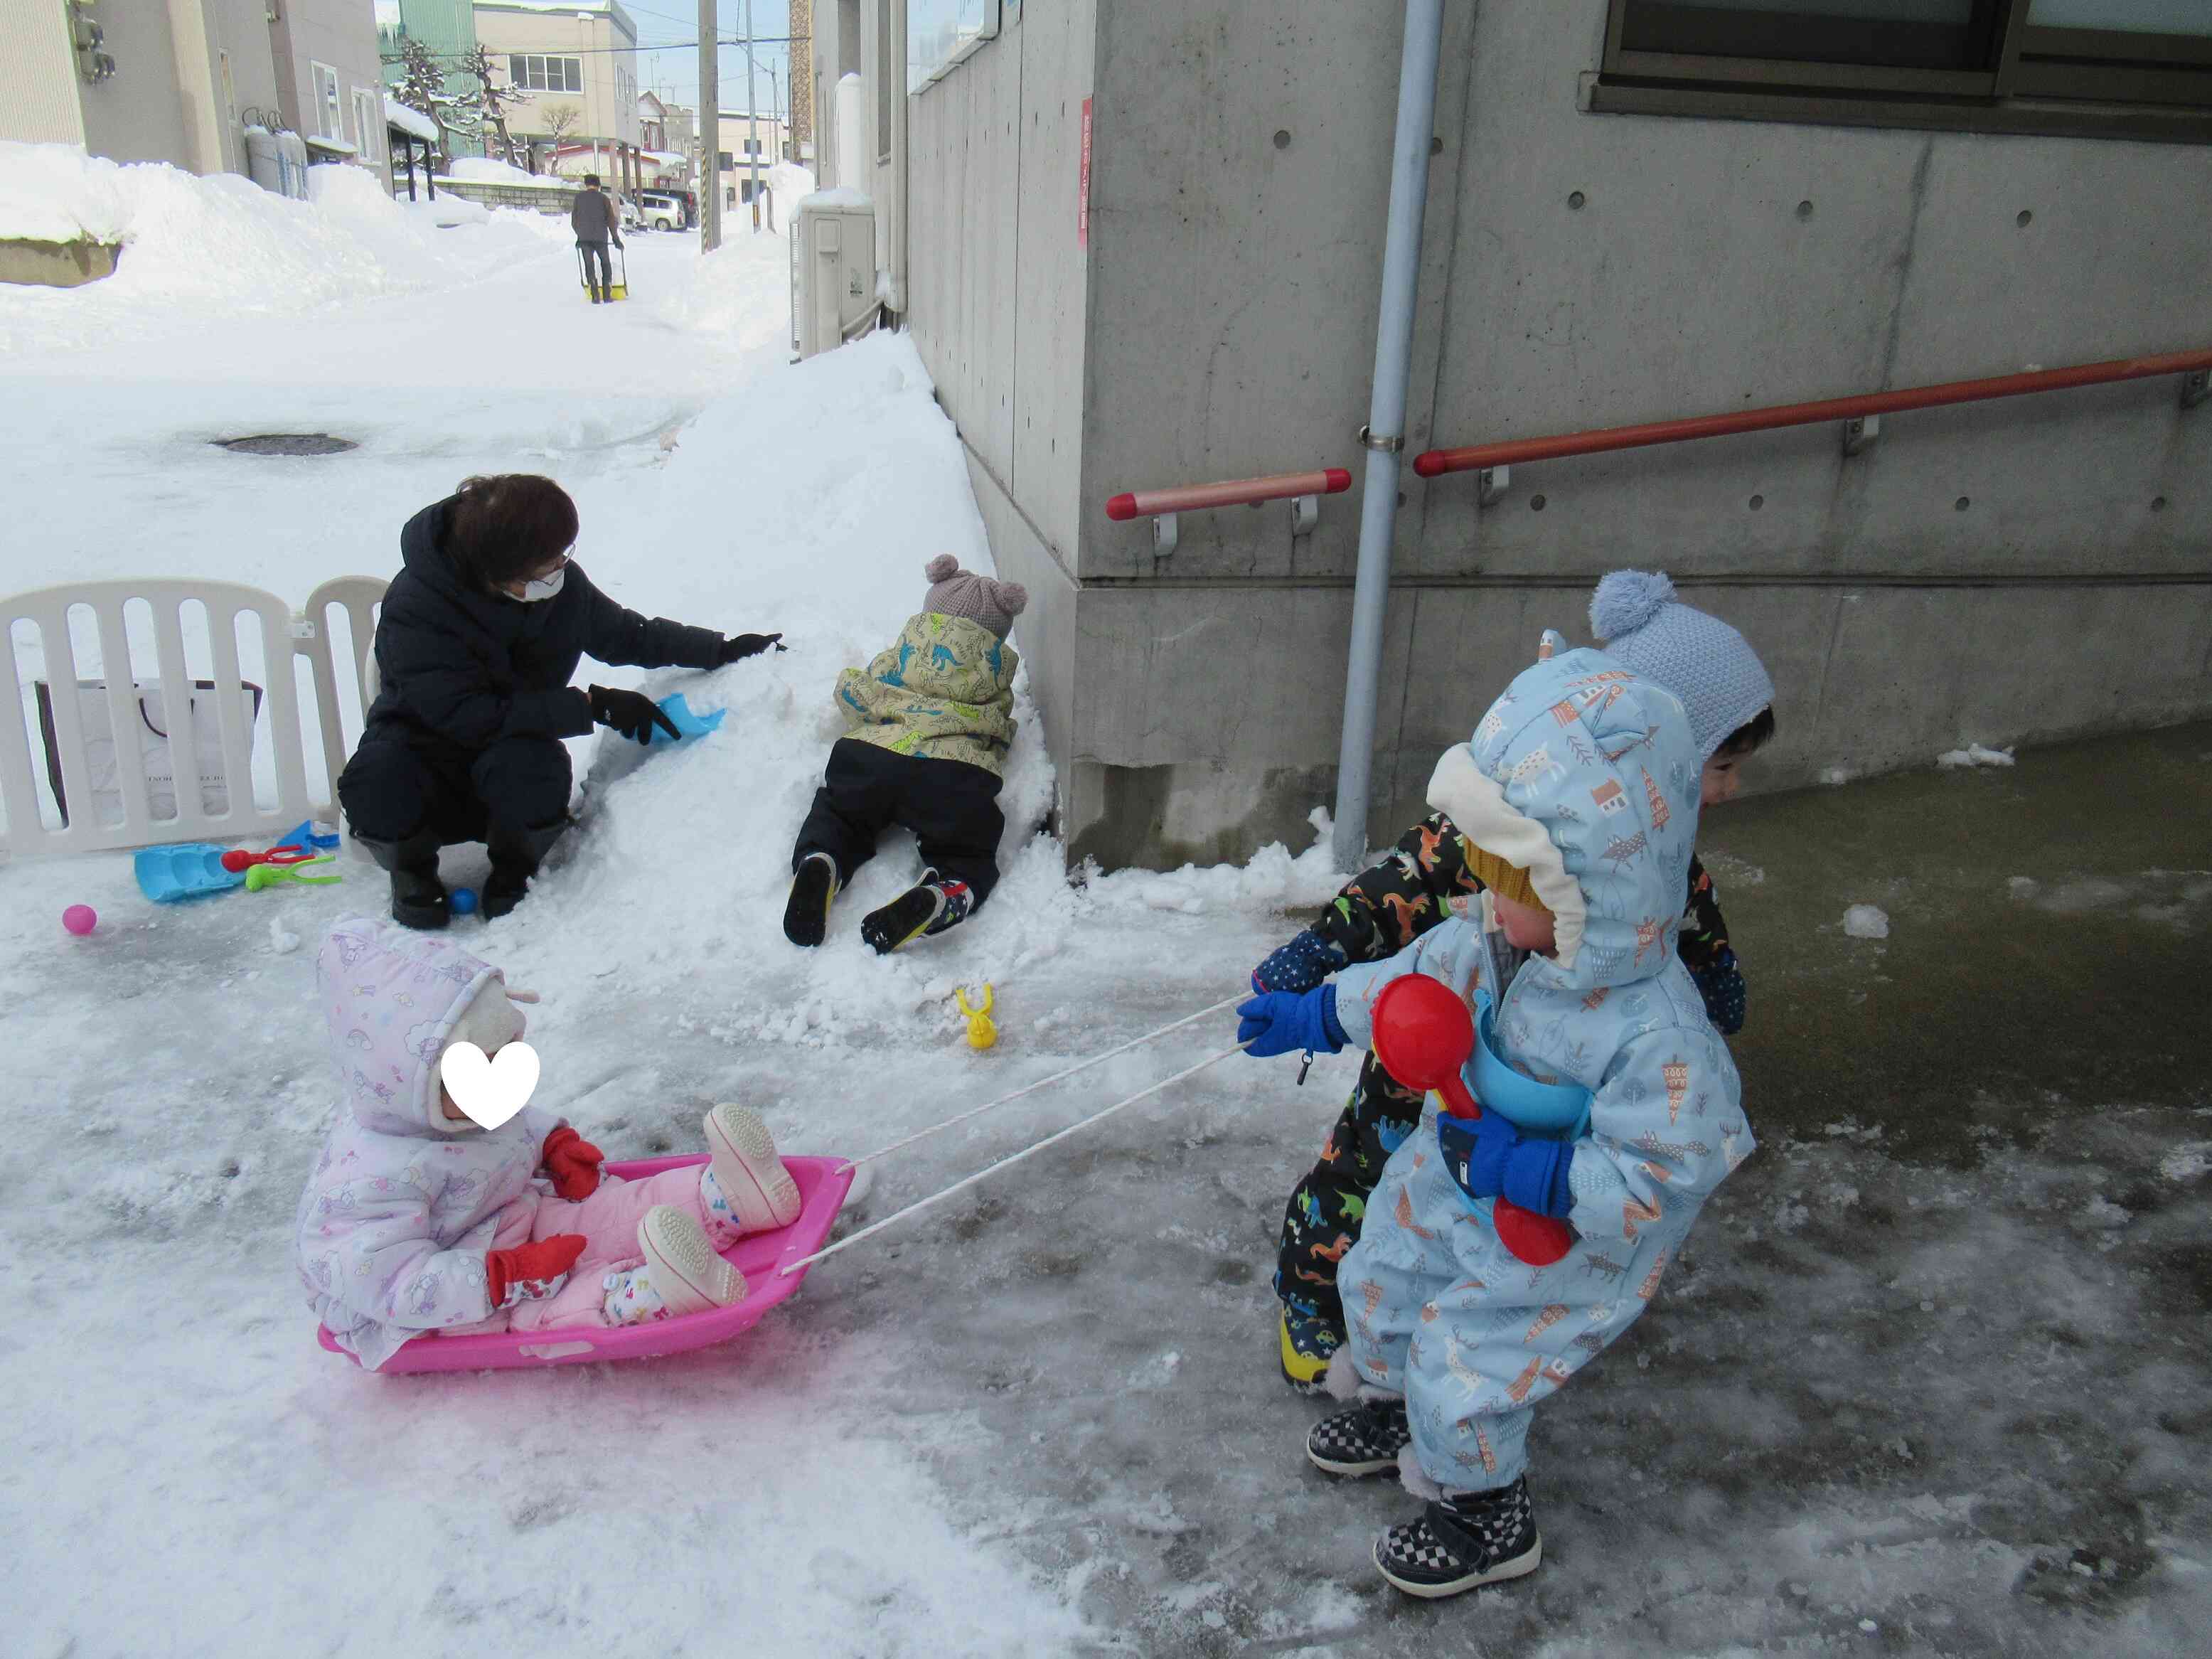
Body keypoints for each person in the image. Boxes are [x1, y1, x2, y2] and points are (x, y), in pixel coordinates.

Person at [1235, 647, 1753, 1597]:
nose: (1482, 900)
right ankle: (1392, 1403)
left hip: (1567, 1229)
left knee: (1468, 1351)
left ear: (1589, 894)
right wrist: (1316, 1012)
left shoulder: (1653, 1030)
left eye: (1511, 885)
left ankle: (1483, 1512)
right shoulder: (1489, 937)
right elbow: (1411, 990)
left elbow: (1670, 1168)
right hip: (1464, 1169)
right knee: (1381, 1260)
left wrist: (1544, 1177)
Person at [1260, 570, 1773, 1394]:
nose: (1726, 785)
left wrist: (1714, 985)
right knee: (1372, 1166)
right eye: (1722, 761)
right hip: (1432, 1025)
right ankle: (1314, 1290)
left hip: (1545, 1063)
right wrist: (1322, 959)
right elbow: (1397, 882)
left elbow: (1691, 920)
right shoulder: (1505, 824)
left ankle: (1457, 1332)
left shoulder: (1651, 861)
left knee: (1477, 1196)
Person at [294, 917, 805, 1372]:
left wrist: (552, 1142)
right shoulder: (361, 1184)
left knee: (605, 1210)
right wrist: (499, 1277)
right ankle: (653, 1293)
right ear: (408, 1082)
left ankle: (727, 1196)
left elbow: (510, 1123)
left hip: (513, 1217)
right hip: (443, 1299)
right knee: (548, 1306)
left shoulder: (457, 1103)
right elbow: (388, 1282)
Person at [337, 474, 782, 929]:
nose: (558, 568)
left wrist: (719, 650)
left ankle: (514, 869)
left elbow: (626, 634)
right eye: (545, 563)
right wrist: (591, 707)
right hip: (422, 748)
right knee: (378, 782)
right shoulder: (418, 605)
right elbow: (463, 715)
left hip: (510, 748)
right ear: (496, 570)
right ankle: (411, 871)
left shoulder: (555, 584)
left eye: (562, 555)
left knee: (535, 771)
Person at [784, 555, 1026, 954]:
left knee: (841, 812)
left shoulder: (899, 657)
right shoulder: (995, 677)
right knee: (966, 848)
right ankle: (947, 892)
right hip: (949, 775)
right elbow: (999, 732)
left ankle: (822, 859)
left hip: (871, 757)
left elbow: (855, 693)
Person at [571, 174, 622, 304]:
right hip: (601, 238)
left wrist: (580, 234)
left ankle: (594, 295)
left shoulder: (578, 198)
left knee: (589, 265)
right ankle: (607, 295)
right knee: (605, 263)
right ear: (598, 185)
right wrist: (615, 238)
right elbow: (611, 220)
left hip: (584, 239)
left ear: (586, 184)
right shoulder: (603, 198)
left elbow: (574, 221)